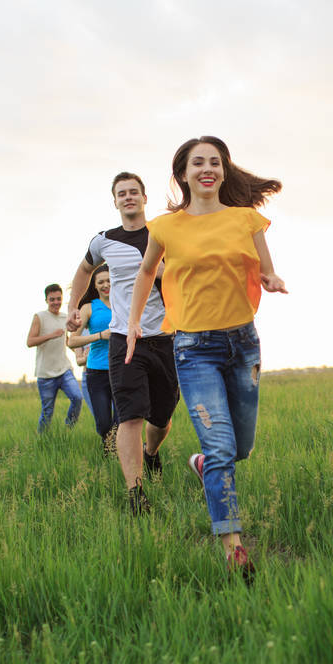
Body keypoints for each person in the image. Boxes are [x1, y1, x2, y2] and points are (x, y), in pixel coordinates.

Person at [126, 136, 286, 580]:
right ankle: (234, 549)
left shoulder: (246, 219)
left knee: (241, 448)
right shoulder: (166, 227)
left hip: (243, 345)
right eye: (198, 163)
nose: (207, 169)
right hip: (194, 348)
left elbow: (264, 266)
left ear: (224, 171)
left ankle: (202, 466)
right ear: (183, 173)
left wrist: (271, 280)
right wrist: (136, 321)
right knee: (220, 448)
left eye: (215, 162)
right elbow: (145, 271)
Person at [66, 173, 179, 515]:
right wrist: (73, 306)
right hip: (123, 340)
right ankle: (135, 492)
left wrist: (158, 272)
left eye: (134, 192)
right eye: (121, 194)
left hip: (165, 338)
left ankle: (152, 452)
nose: (128, 197)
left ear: (145, 198)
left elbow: (183, 274)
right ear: (114, 201)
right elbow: (83, 271)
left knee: (162, 417)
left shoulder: (164, 233)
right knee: (130, 415)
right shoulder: (104, 241)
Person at [67, 265, 118, 451]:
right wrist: (100, 335)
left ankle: (119, 457)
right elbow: (72, 341)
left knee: (123, 422)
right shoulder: (89, 308)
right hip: (97, 372)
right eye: (101, 282)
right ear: (94, 286)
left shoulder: (126, 304)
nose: (106, 285)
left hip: (123, 369)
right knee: (104, 425)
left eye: (109, 280)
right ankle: (108, 454)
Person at [27, 284, 82, 434]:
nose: (56, 302)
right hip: (45, 374)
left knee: (77, 398)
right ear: (46, 300)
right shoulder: (40, 317)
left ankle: (67, 429)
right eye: (52, 299)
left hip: (64, 370)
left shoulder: (65, 318)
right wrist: (51, 335)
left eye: (58, 299)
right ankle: (42, 440)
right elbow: (30, 342)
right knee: (47, 412)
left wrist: (80, 352)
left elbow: (67, 342)